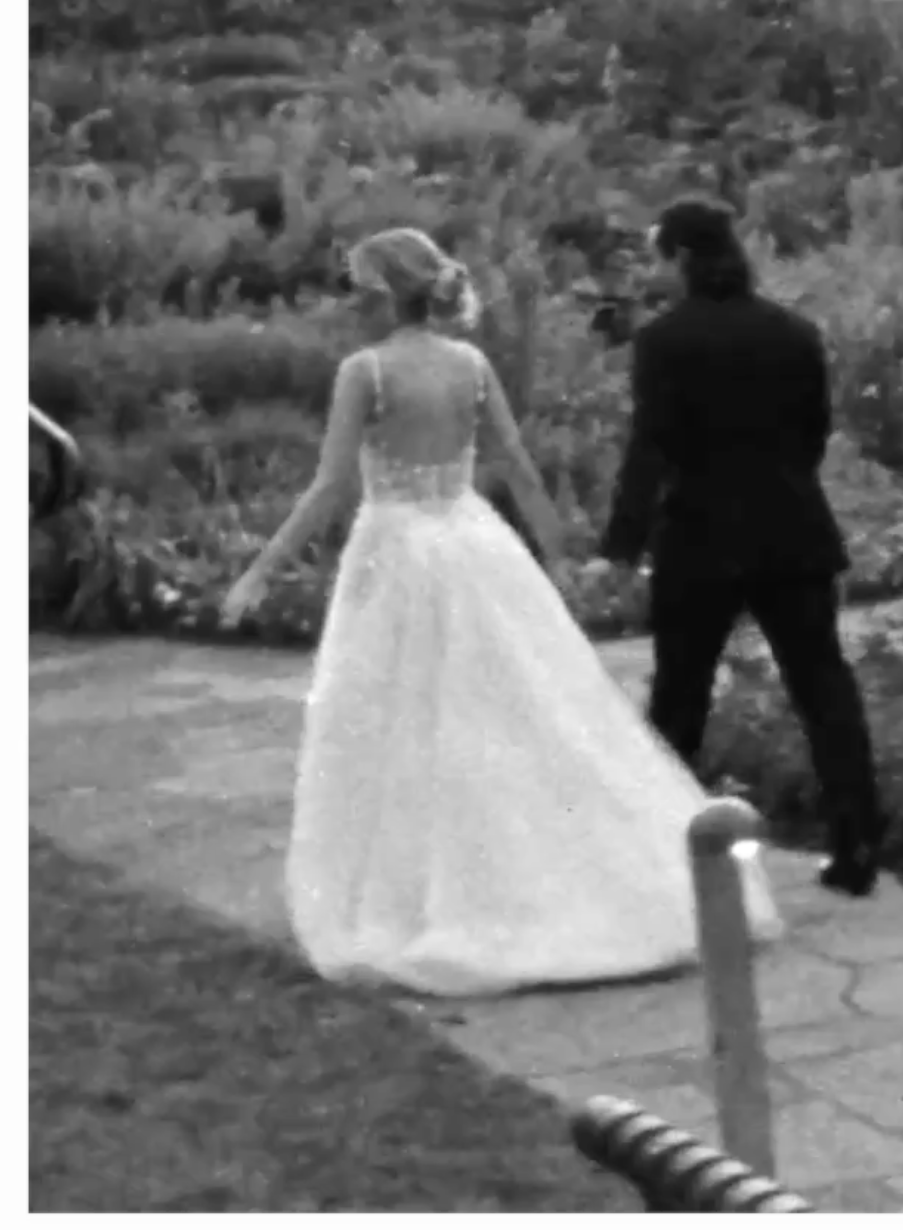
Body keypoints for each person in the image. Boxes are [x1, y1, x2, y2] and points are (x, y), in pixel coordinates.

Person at [223, 226, 781, 998]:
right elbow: (517, 467)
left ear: (385, 291)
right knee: (515, 705)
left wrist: (257, 572)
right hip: (474, 545)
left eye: (358, 285)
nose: (350, 299)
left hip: (397, 552)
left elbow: (329, 487)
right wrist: (558, 559)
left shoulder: (367, 370)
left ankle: (414, 894)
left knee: (395, 717)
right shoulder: (470, 363)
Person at [594, 199, 884, 898]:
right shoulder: (794, 331)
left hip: (699, 534)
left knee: (680, 696)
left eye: (657, 254)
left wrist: (621, 546)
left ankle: (668, 855)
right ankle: (858, 844)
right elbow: (814, 432)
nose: (652, 268)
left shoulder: (664, 341)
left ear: (684, 257)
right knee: (824, 688)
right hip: (793, 528)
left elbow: (651, 449)